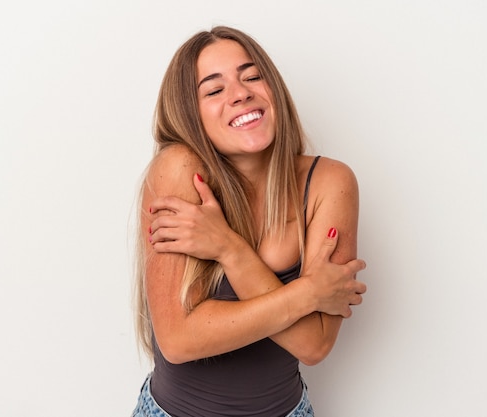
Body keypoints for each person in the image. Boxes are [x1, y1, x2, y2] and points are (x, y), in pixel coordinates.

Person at [131, 26, 367, 417]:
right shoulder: (179, 170)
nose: (240, 93)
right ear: (191, 114)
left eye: (252, 75)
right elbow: (178, 340)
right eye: (214, 89)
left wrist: (228, 247)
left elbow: (314, 346)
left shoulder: (329, 182)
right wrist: (308, 294)